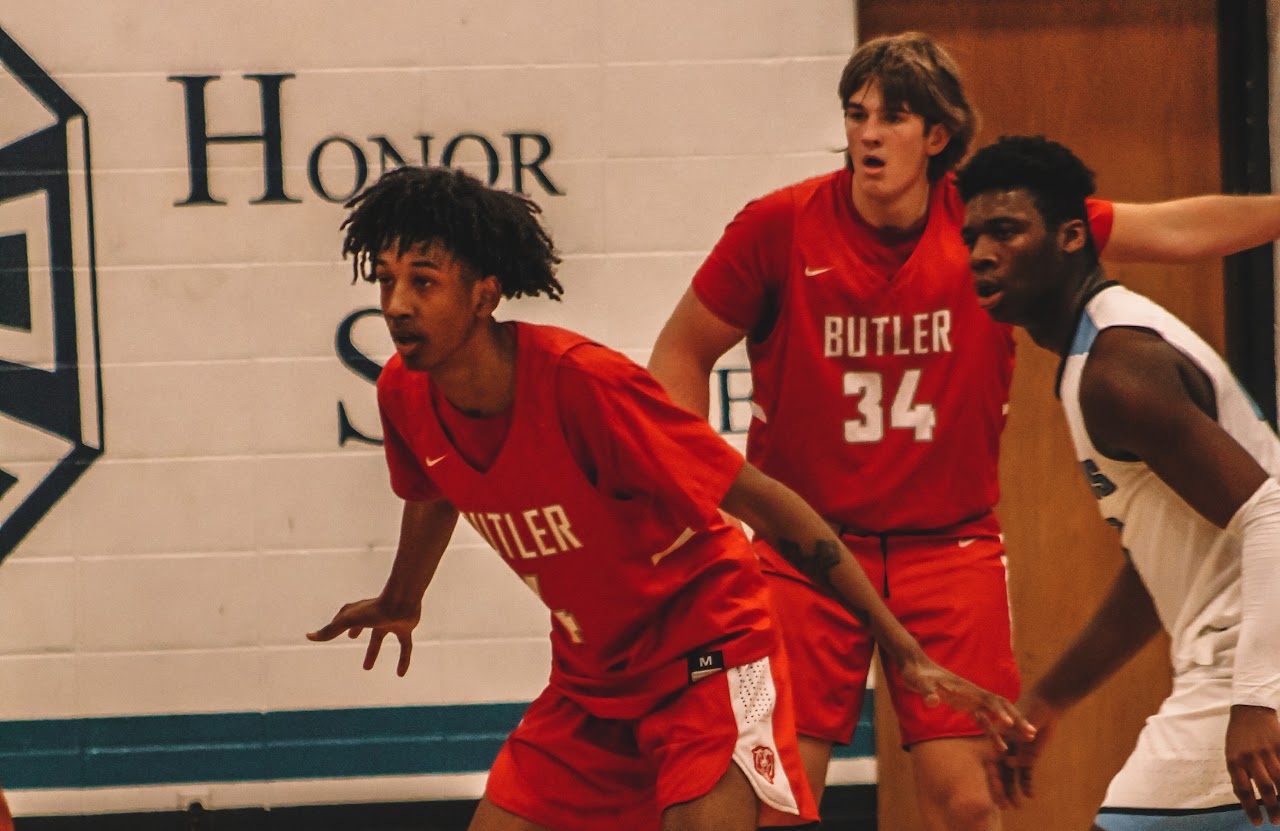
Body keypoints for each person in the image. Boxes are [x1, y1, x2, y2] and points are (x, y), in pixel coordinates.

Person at [647, 30, 1280, 831]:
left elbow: (1178, 229)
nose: (868, 132)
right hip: (806, 550)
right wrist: (696, 508)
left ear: (937, 135)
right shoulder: (780, 226)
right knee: (779, 797)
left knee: (969, 798)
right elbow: (681, 350)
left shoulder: (995, 228)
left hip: (945, 550)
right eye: (855, 113)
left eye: (892, 116)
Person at [306, 165, 1030, 831]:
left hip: (708, 658)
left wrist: (905, 650)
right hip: (593, 681)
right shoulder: (404, 392)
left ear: (485, 294)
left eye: (423, 282)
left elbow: (767, 501)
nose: (397, 305)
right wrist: (403, 596)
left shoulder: (583, 386)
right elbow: (436, 489)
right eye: (385, 280)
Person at [956, 134, 1280, 829]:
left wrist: (1258, 700)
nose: (981, 252)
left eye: (1006, 231)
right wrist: (1047, 700)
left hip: (1246, 677)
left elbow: (1274, 513)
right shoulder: (1097, 353)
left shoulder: (1117, 367)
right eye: (973, 235)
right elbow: (1156, 566)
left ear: (1073, 236)